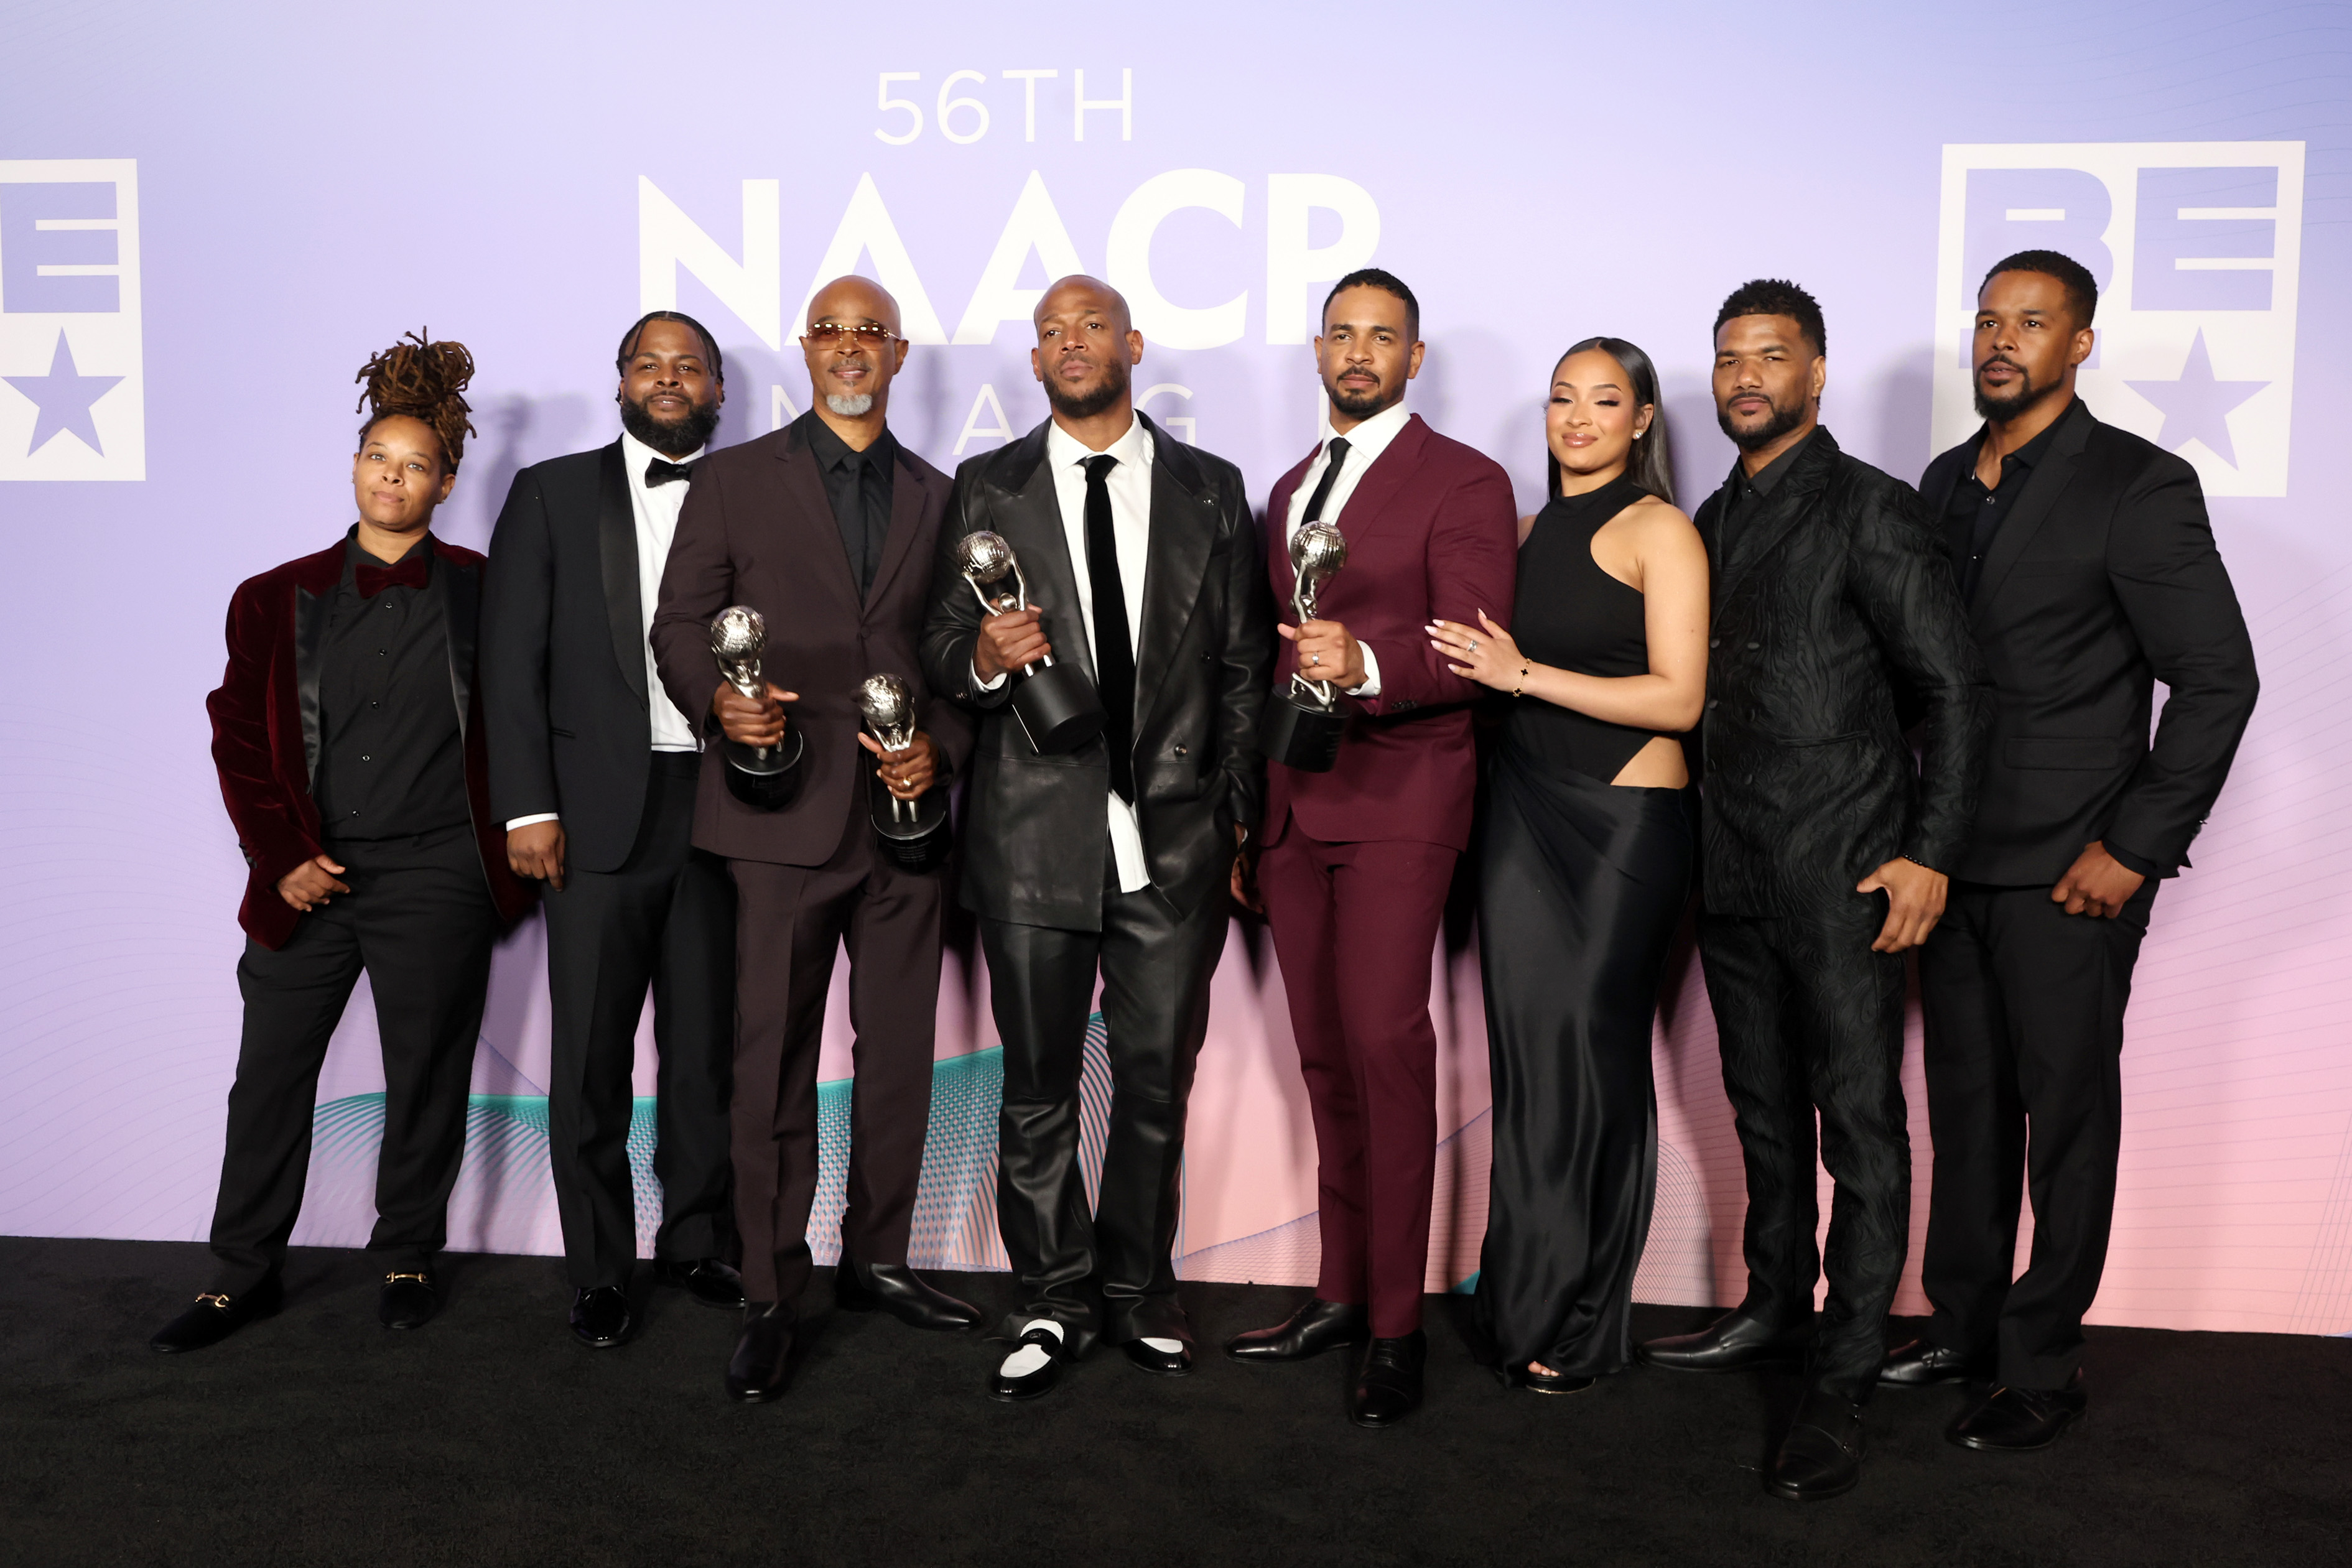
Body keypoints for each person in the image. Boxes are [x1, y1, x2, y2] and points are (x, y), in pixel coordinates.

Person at [1889, 250, 2259, 1450]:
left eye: (2031, 324)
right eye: (1989, 322)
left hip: (2070, 867)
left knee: (2067, 1116)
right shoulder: (1943, 481)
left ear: (2079, 344)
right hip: (1946, 856)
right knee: (1966, 1104)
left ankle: (2041, 1365)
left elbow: (2217, 680)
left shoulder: (2138, 484)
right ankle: (1961, 1323)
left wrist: (2133, 848)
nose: (2002, 342)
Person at [1633, 280, 1991, 1502]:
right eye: (1728, 358)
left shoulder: (1870, 512)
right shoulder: (1706, 518)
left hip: (1846, 871)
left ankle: (1839, 1373)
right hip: (1728, 871)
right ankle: (1772, 1306)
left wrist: (1928, 850)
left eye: (1769, 357)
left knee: (1860, 1125)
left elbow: (1950, 689)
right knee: (1763, 1113)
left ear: (1817, 373)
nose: (1744, 377)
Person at [918, 274, 1273, 1403]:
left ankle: (1138, 1289)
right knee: (1036, 1086)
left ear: (1131, 343)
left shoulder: (1212, 490)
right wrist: (982, 653)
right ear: (1032, 361)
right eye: (1050, 333)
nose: (1071, 346)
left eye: (1090, 327)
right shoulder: (989, 485)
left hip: (1173, 838)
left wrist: (1235, 815)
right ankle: (1051, 1297)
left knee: (1157, 1078)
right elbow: (938, 648)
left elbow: (1242, 666)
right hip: (1032, 836)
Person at [152, 333, 532, 1353]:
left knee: (426, 1073)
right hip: (308, 875)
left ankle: (408, 1251)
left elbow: (530, 726)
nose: (393, 477)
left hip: (438, 872)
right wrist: (280, 855)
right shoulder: (272, 596)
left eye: (415, 465)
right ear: (355, 466)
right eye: (378, 459)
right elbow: (236, 736)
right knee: (268, 1076)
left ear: (446, 481)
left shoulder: (487, 593)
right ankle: (240, 1274)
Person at [650, 277, 978, 1404]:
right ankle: (769, 1290)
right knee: (771, 1064)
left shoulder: (943, 496)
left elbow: (956, 650)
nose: (849, 349)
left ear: (896, 357)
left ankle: (878, 1258)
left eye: (869, 335)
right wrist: (716, 704)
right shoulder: (735, 479)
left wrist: (936, 745)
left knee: (895, 1060)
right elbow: (681, 625)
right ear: (805, 348)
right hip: (775, 810)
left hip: (903, 815)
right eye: (831, 331)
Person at [1224, 268, 1519, 1428]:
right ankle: (1337, 1291)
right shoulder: (1292, 486)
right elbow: (1266, 658)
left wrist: (1372, 663)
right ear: (1314, 351)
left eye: (1381, 337)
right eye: (1341, 335)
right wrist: (1255, 817)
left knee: (1388, 1055)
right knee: (1323, 1062)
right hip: (1297, 809)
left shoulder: (1465, 478)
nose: (1359, 353)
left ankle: (1396, 1325)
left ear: (1415, 355)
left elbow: (1479, 650)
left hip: (1402, 797)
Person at [1425, 337, 1706, 1393]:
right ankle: (1522, 1293)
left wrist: (1522, 671)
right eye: (1560, 398)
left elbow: (1679, 696)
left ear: (1641, 421)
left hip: (1623, 821)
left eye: (1604, 400)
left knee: (1594, 1057)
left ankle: (1587, 1318)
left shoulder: (1661, 530)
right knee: (1528, 1065)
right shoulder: (1526, 533)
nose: (1577, 417)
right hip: (1520, 814)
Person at [481, 311, 746, 1351]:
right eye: (651, 364)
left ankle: (696, 1237)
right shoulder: (550, 493)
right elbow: (510, 661)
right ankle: (599, 1266)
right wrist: (528, 805)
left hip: (725, 806)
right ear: (621, 382)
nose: (669, 379)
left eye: (690, 367)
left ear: (719, 390)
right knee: (591, 1051)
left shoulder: (752, 494)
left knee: (703, 1047)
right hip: (590, 815)